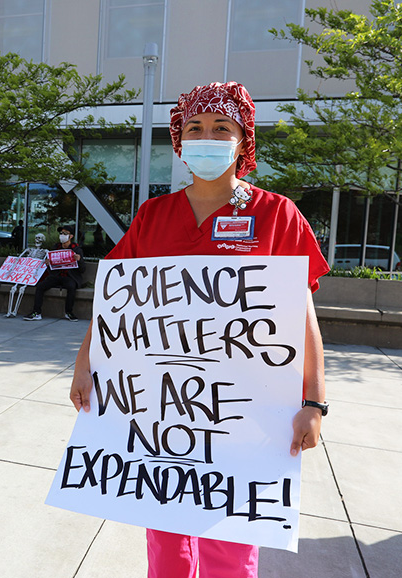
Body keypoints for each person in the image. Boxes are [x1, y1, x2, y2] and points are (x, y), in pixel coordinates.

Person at [69, 82, 330, 578]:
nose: (206, 137)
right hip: (160, 415)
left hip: (246, 415)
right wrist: (85, 363)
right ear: (180, 140)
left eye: (220, 128)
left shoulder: (277, 215)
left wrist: (314, 401)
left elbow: (302, 314)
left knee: (230, 548)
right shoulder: (154, 216)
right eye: (195, 128)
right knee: (165, 541)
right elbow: (117, 301)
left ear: (242, 139)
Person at [24, 224, 85, 322]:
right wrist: (48, 263)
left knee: (71, 287)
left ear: (71, 236)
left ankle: (69, 312)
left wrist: (79, 260)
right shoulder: (56, 247)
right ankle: (36, 312)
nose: (62, 235)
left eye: (65, 233)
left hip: (69, 277)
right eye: (61, 233)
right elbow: (51, 267)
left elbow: (82, 269)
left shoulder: (76, 249)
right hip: (56, 276)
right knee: (40, 286)